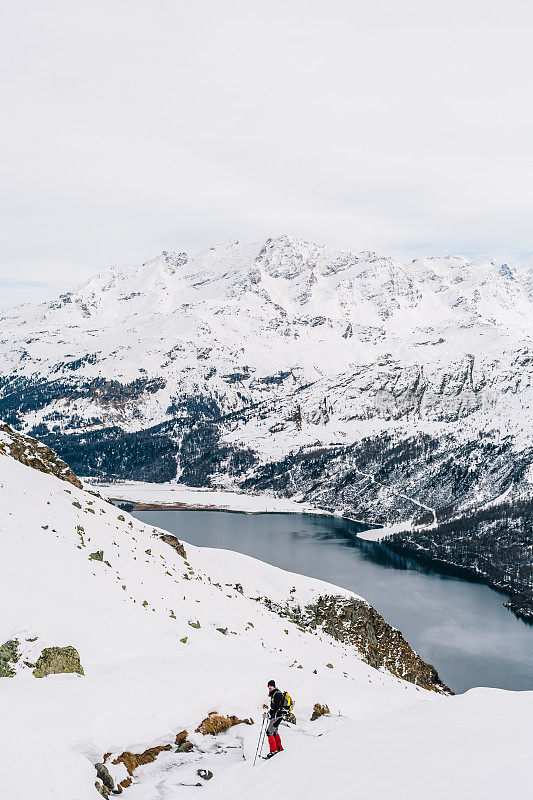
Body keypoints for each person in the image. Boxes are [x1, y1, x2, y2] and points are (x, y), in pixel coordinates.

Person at [265, 679, 284, 757]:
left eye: (271, 686)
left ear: (274, 686)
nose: (269, 687)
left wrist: (269, 714)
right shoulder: (275, 694)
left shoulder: (277, 694)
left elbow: (276, 707)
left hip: (276, 716)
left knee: (269, 732)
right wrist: (269, 713)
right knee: (274, 731)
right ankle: (279, 748)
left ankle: (273, 750)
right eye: (268, 686)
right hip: (278, 716)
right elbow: (275, 707)